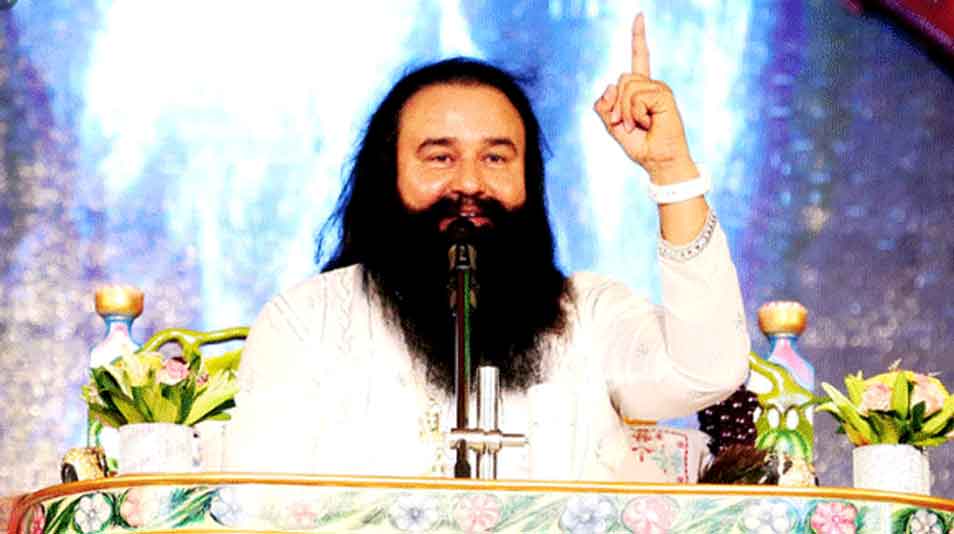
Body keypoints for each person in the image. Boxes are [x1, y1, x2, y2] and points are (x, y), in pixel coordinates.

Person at [224, 14, 750, 481]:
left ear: (528, 179)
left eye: (496, 158)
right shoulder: (307, 321)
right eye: (440, 158)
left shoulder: (588, 316)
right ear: (389, 176)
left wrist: (670, 169)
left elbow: (706, 370)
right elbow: (258, 504)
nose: (470, 184)